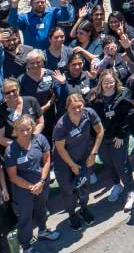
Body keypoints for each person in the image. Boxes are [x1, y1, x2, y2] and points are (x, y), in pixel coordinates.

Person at [4, 116, 58, 253]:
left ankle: (43, 231)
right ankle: (26, 246)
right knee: (25, 217)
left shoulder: (40, 140)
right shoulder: (11, 150)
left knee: (41, 209)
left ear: (32, 128)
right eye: (21, 130)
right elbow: (13, 176)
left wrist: (41, 182)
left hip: (41, 183)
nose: (25, 133)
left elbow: (47, 161)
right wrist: (31, 187)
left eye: (28, 129)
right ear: (15, 131)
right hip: (23, 189)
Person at [52, 92, 104, 230]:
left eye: (79, 106)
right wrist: (72, 165)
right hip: (63, 162)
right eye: (73, 108)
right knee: (69, 191)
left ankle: (84, 208)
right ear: (67, 108)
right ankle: (72, 214)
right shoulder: (61, 125)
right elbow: (60, 149)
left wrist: (94, 153)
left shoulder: (89, 113)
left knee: (84, 185)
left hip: (83, 157)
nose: (77, 110)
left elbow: (100, 131)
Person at [89, 69, 134, 202]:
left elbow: (128, 116)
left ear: (115, 81)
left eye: (111, 82)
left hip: (118, 137)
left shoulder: (123, 94)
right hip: (102, 138)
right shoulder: (94, 97)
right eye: (105, 82)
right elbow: (91, 119)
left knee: (121, 164)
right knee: (108, 164)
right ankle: (116, 185)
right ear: (101, 83)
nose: (108, 84)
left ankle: (131, 189)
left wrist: (121, 135)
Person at [0, 78, 43, 149]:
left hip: (33, 143)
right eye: (7, 92)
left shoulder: (31, 101)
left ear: (18, 89)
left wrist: (32, 139)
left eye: (13, 90)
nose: (11, 94)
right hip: (13, 149)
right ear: (3, 94)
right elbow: (0, 138)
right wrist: (21, 145)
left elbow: (40, 122)